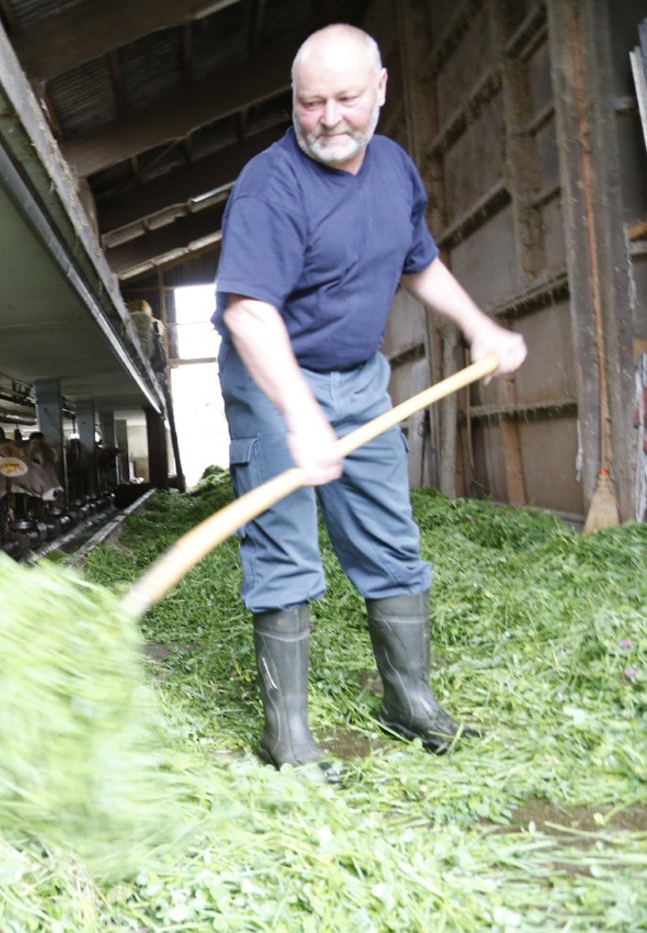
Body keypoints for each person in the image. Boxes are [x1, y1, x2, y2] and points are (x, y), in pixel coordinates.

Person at [211, 24, 527, 780]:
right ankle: (287, 738)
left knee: (390, 537)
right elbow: (247, 313)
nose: (327, 119)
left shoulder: (392, 170)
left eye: (345, 99)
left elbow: (420, 260)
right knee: (285, 548)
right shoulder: (270, 186)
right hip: (272, 378)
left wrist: (481, 328)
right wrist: (301, 417)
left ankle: (408, 701)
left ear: (380, 88)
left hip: (359, 380)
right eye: (309, 103)